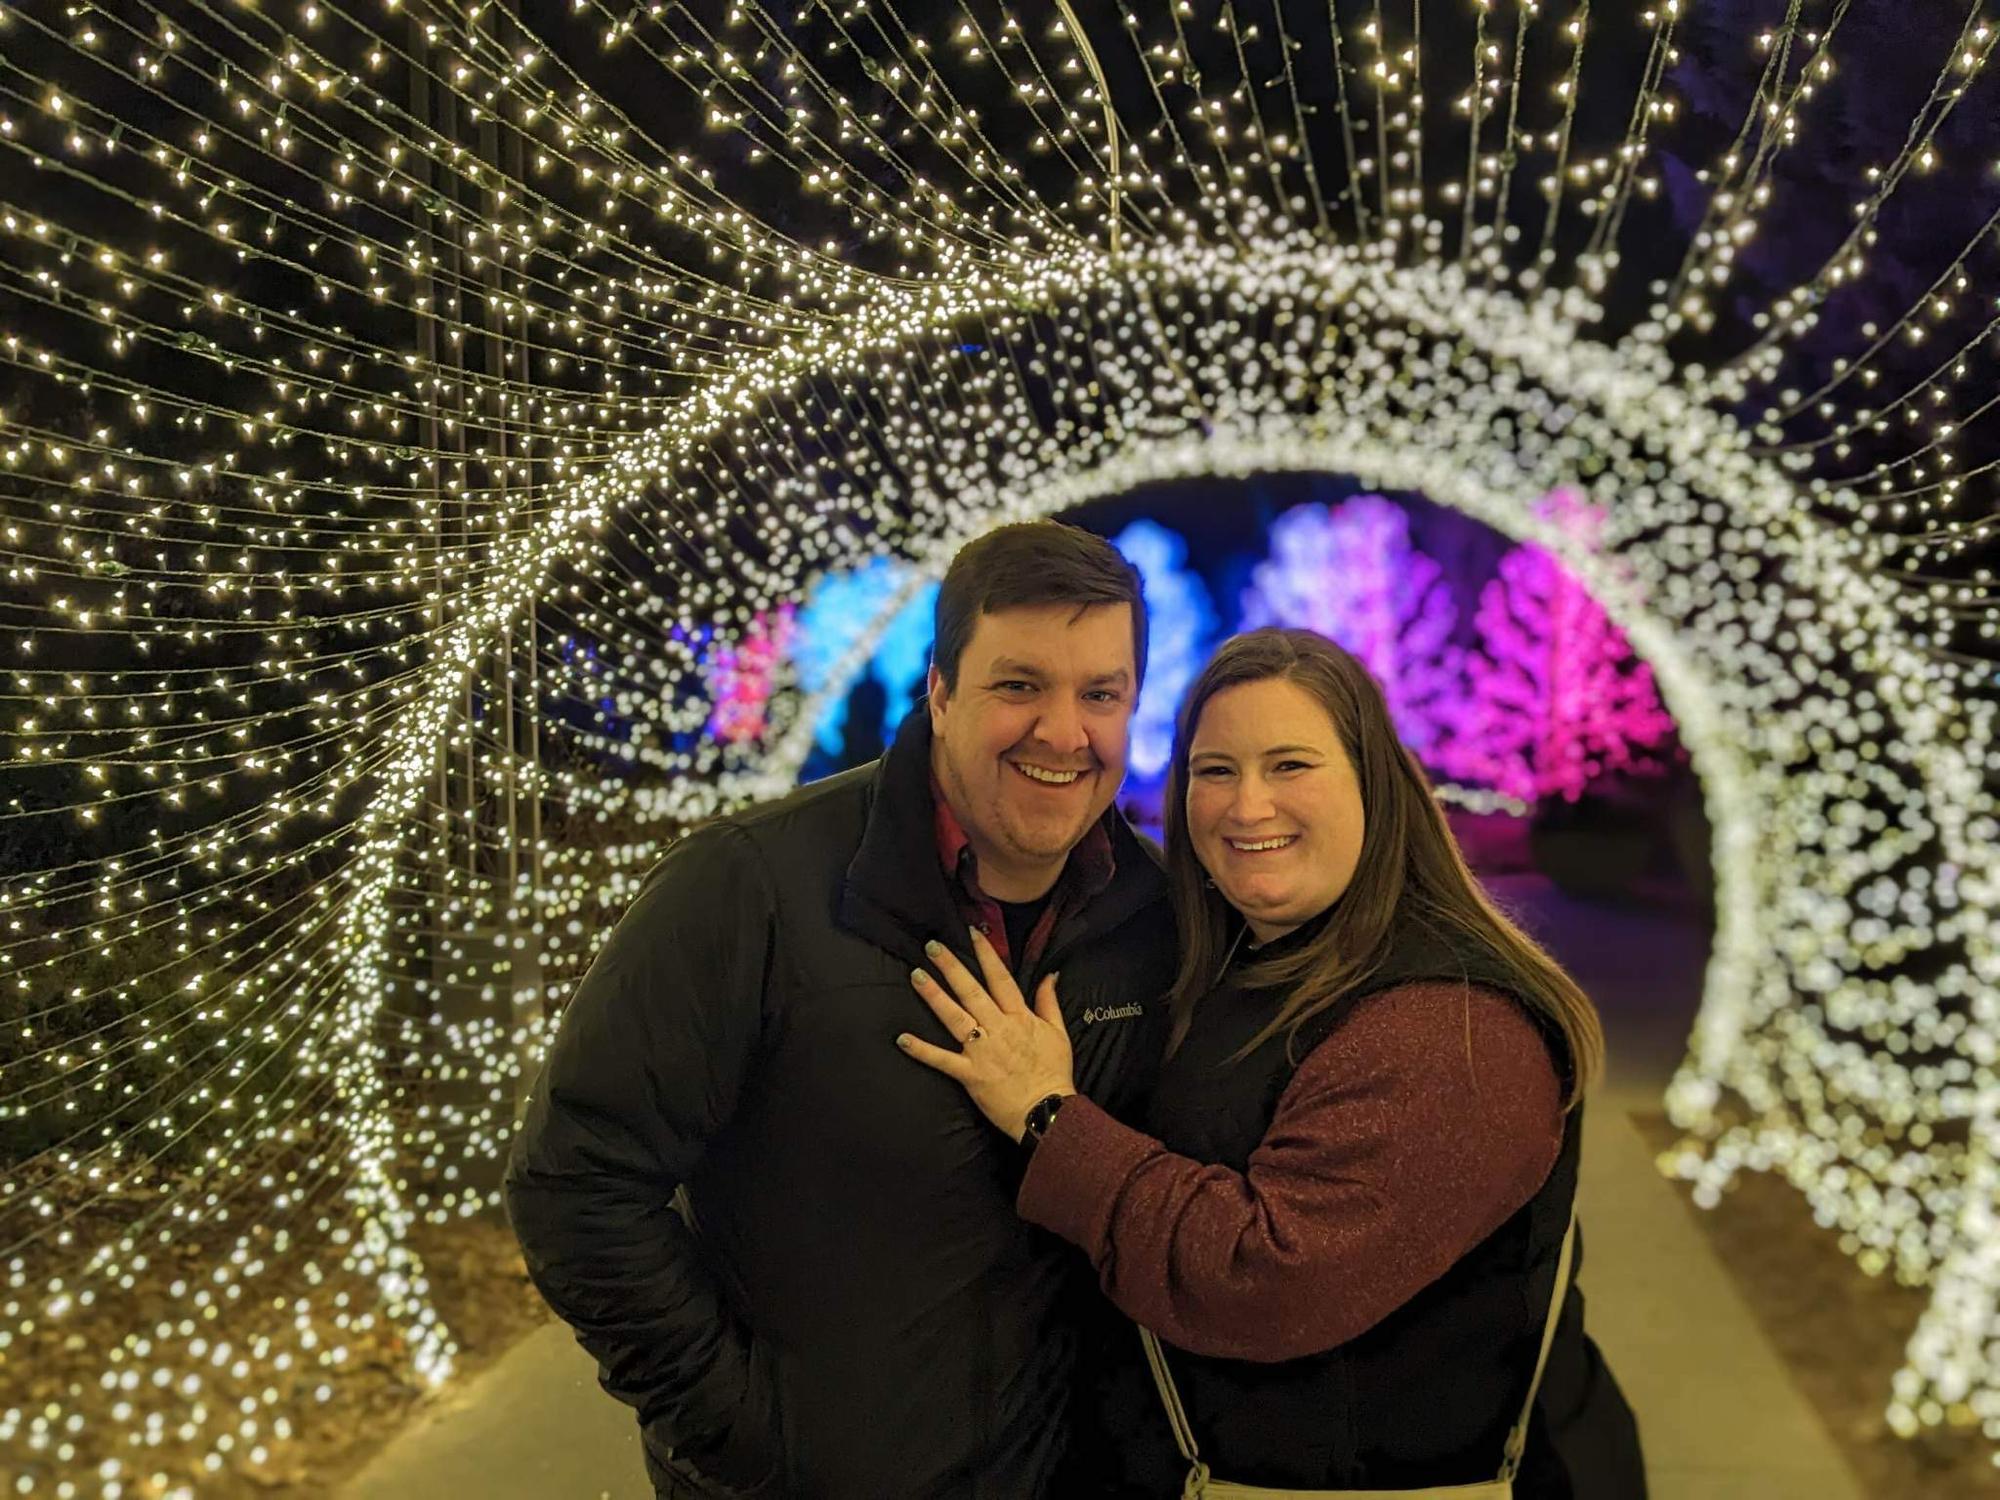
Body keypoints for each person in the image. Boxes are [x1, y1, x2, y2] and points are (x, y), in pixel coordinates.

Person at [503, 520, 1178, 1499]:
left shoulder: (1149, 918)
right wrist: (752, 1442)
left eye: (1099, 694)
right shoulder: (753, 889)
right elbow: (576, 1184)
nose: (1061, 732)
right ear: (940, 692)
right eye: (1017, 684)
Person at [899, 627, 1647, 1497]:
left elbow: (1264, 1279)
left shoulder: (1453, 1029)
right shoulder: (1251, 961)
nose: (1247, 806)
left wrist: (1049, 1115)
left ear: (1375, 781)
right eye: (1216, 771)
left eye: (1291, 766)